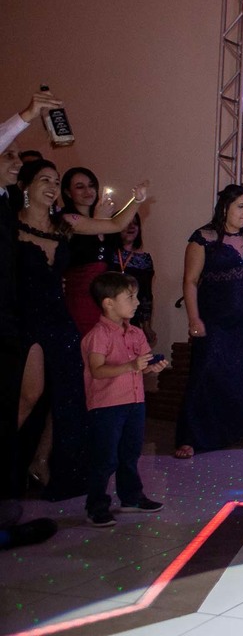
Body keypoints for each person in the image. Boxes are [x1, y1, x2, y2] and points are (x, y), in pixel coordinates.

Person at [14, 159, 148, 500]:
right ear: (24, 186)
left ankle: (52, 465)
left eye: (54, 180)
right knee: (29, 394)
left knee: (67, 393)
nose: (50, 185)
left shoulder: (66, 222)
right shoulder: (9, 226)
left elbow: (118, 222)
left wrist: (136, 200)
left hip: (59, 318)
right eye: (44, 179)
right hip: (22, 317)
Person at [176, 184, 243, 459]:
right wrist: (193, 318)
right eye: (240, 206)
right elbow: (190, 281)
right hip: (216, 319)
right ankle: (194, 437)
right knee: (208, 374)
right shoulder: (204, 238)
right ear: (225, 207)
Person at [0, 91, 61, 548]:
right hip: (10, 320)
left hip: (13, 320)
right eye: (11, 156)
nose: (16, 161)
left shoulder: (5, 205)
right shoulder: (8, 211)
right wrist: (25, 116)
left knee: (22, 402)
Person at [80, 272, 167, 527]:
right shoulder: (99, 335)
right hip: (107, 406)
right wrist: (130, 365)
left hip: (135, 403)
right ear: (108, 303)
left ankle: (131, 497)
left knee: (130, 453)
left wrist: (154, 366)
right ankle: (96, 505)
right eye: (130, 297)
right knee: (106, 457)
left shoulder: (136, 333)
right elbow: (97, 370)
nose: (137, 302)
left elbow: (142, 365)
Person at [61, 167, 122, 335]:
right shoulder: (64, 221)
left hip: (106, 298)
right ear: (67, 192)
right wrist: (98, 219)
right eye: (80, 187)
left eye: (91, 185)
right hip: (80, 297)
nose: (88, 191)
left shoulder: (110, 223)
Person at [108, 213, 155, 345]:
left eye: (135, 223)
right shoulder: (106, 254)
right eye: (127, 222)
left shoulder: (144, 259)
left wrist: (146, 325)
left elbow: (146, 295)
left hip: (132, 317)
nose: (131, 227)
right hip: (106, 315)